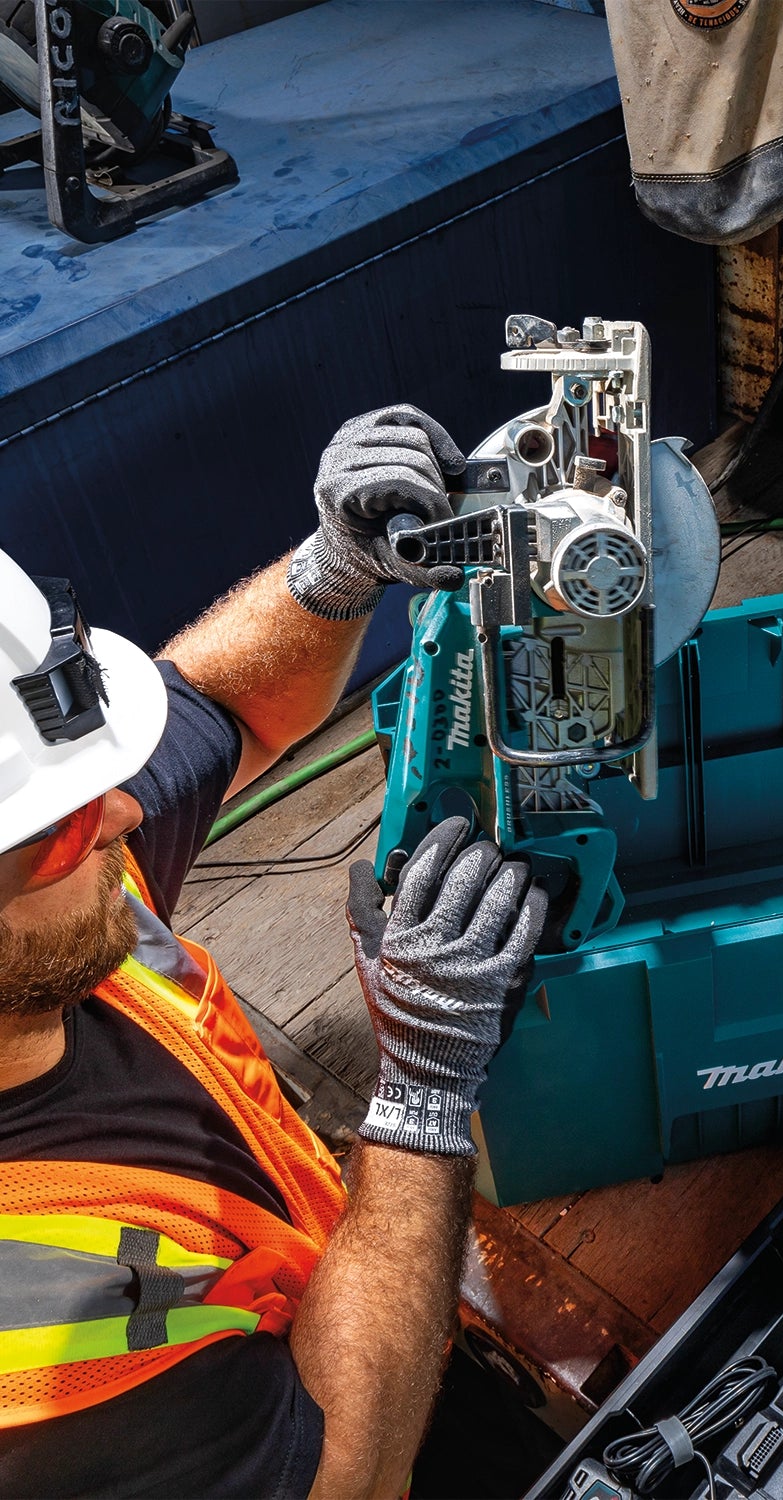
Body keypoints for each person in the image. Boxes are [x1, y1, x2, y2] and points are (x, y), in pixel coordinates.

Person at [0, 406, 546, 1497]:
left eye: (100, 778)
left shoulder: (51, 905)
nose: (120, 818)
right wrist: (422, 1094)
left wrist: (334, 570)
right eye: (61, 823)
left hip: (351, 1298)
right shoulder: (34, 1348)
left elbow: (222, 704)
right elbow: (346, 1475)